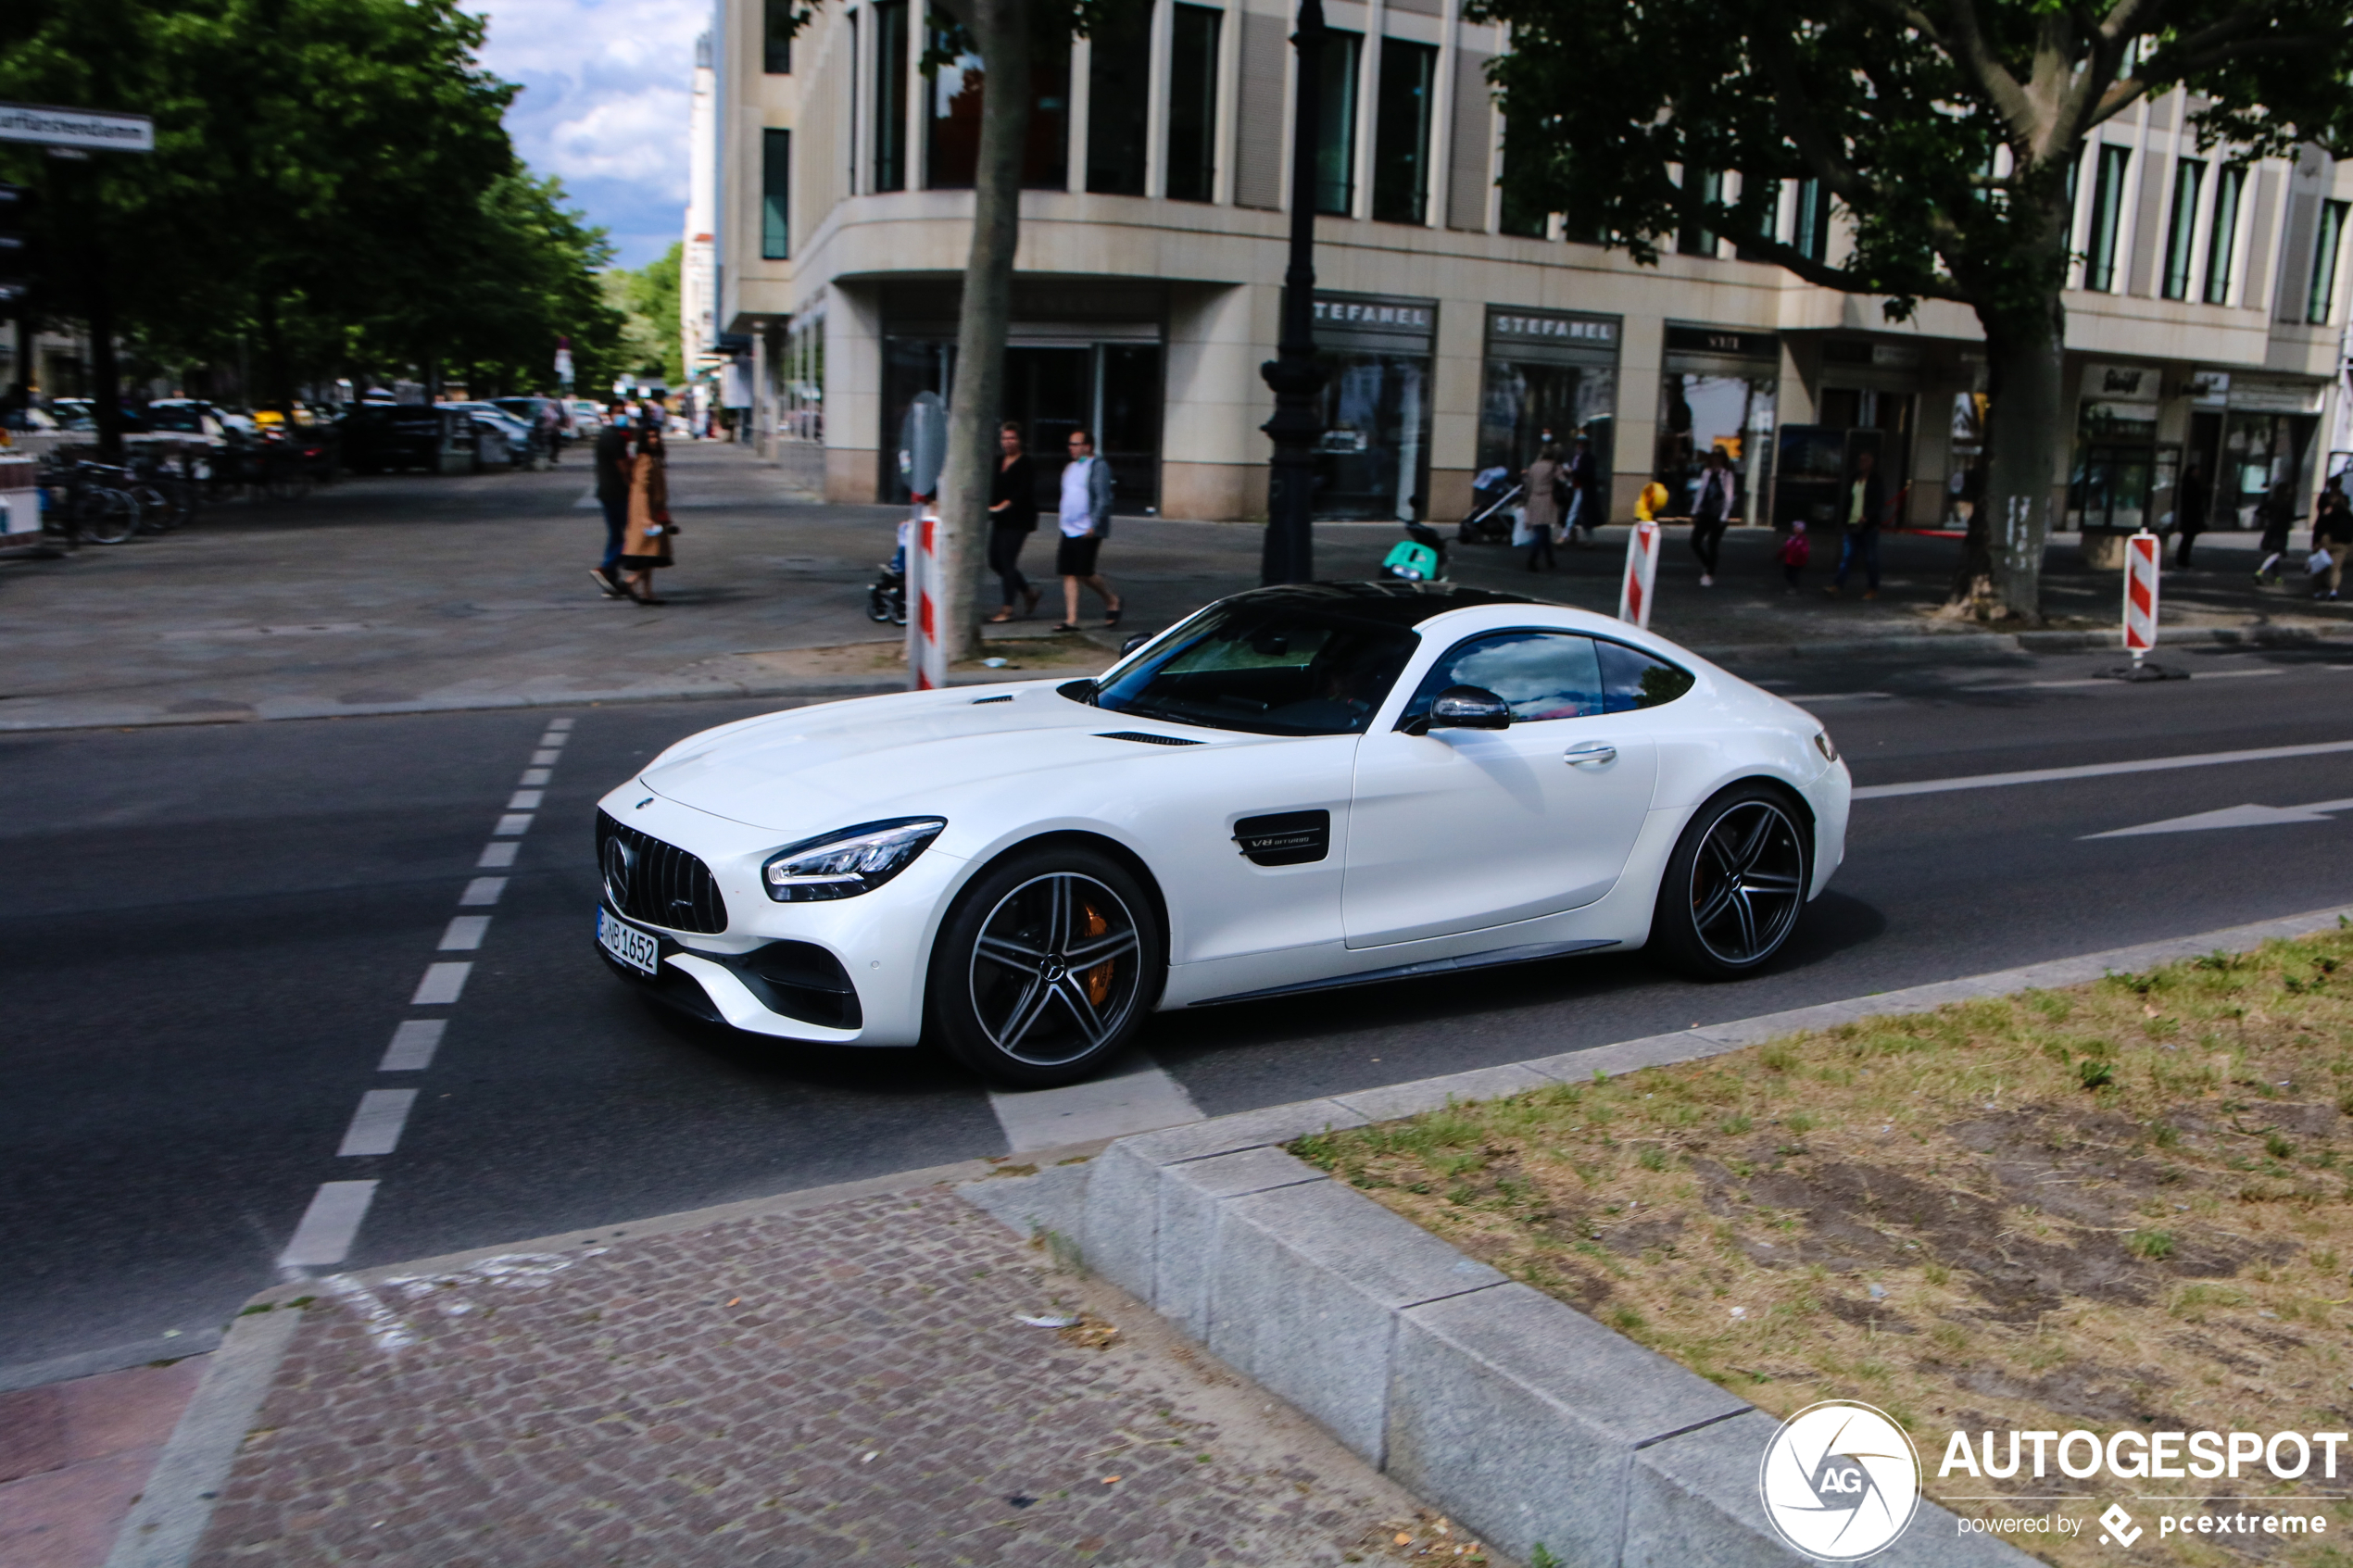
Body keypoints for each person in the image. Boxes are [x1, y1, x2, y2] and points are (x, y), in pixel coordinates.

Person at [1052, 429, 1122, 631]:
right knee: (1069, 572)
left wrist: (1095, 523)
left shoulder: (1098, 467)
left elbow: (1103, 497)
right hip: (1069, 527)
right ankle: (1071, 619)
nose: (1071, 448)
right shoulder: (1071, 467)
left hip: (1088, 527)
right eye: (1070, 444)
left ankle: (1112, 599)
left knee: (1084, 571)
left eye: (1076, 444)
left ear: (1087, 446)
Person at [985, 421, 1041, 621]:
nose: (1008, 442)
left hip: (1019, 519)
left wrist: (1003, 505)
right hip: (999, 519)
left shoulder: (1026, 463)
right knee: (995, 560)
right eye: (1004, 438)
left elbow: (1022, 491)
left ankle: (1007, 609)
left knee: (1008, 561)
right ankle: (1028, 592)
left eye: (1012, 438)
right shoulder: (998, 461)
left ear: (1020, 440)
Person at [616, 424, 676, 605]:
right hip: (647, 515)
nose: (654, 439)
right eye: (649, 437)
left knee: (650, 553)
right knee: (650, 552)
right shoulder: (645, 459)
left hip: (655, 512)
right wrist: (645, 516)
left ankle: (647, 592)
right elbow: (641, 488)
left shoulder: (654, 458)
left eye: (656, 436)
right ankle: (631, 582)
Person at [1824, 448, 1885, 599]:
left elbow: (1879, 502)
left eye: (1866, 460)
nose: (1862, 463)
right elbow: (1848, 499)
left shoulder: (1876, 480)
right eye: (1860, 460)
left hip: (1869, 526)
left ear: (1872, 462)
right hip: (1852, 523)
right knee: (1847, 557)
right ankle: (1837, 586)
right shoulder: (1854, 478)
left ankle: (1873, 588)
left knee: (1870, 558)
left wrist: (1868, 516)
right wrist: (1844, 519)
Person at [589, 400, 633, 597]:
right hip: (617, 492)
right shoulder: (614, 437)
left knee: (616, 534)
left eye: (623, 412)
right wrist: (632, 483)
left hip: (606, 491)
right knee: (633, 536)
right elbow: (622, 466)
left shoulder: (605, 435)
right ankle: (606, 568)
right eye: (618, 412)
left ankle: (611, 579)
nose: (622, 415)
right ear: (609, 415)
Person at [1689, 447, 1738, 586]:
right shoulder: (1707, 472)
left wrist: (1724, 516)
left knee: (1712, 543)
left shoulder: (1727, 474)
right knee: (1695, 542)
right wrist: (1695, 511)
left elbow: (1728, 496)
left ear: (1723, 458)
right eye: (1714, 456)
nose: (1716, 459)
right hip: (1705, 512)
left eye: (1719, 456)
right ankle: (1708, 563)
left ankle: (1709, 573)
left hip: (1718, 514)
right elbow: (1701, 492)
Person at [1520, 444, 1562, 571]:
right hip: (1546, 498)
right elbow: (1562, 480)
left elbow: (1528, 485)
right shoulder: (1553, 467)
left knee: (1543, 530)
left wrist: (1525, 500)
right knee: (1542, 530)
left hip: (1534, 498)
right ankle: (1532, 559)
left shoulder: (1533, 466)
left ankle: (1550, 559)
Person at [2313, 480, 2352, 600]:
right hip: (2342, 543)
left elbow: (2320, 526)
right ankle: (2333, 591)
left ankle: (2318, 591)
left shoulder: (2328, 511)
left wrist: (2316, 541)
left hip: (2327, 539)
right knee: (2336, 569)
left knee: (2320, 566)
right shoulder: (2347, 513)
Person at [2256, 478, 2297, 582]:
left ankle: (2276, 575)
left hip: (2271, 529)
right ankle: (2261, 571)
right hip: (2281, 531)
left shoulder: (2272, 502)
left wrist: (2268, 516)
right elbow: (2291, 517)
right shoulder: (2287, 504)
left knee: (2274, 553)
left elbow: (2258, 512)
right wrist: (2303, 517)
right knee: (2277, 553)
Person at [2173, 456, 2209, 569]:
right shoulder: (2191, 483)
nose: (2198, 473)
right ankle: (2182, 560)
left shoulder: (2187, 483)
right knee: (2187, 540)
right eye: (2196, 471)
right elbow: (2195, 498)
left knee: (2187, 539)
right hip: (2191, 517)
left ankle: (2182, 559)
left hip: (2189, 516)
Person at [1564, 436, 1600, 546]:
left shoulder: (1587, 458)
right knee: (1579, 513)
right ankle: (1588, 539)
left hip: (1582, 488)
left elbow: (1586, 474)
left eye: (1580, 444)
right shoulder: (1577, 457)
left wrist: (1573, 472)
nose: (1578, 446)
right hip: (1576, 486)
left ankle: (1565, 535)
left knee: (1575, 512)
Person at [1777, 521, 1810, 592]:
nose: (1795, 529)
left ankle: (1793, 587)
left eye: (1797, 528)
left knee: (1794, 574)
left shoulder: (1803, 539)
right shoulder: (1792, 538)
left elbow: (1804, 551)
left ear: (1802, 530)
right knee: (1787, 573)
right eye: (1795, 527)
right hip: (1790, 560)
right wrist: (1779, 556)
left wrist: (1803, 559)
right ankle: (1793, 585)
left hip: (1798, 561)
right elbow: (1785, 547)